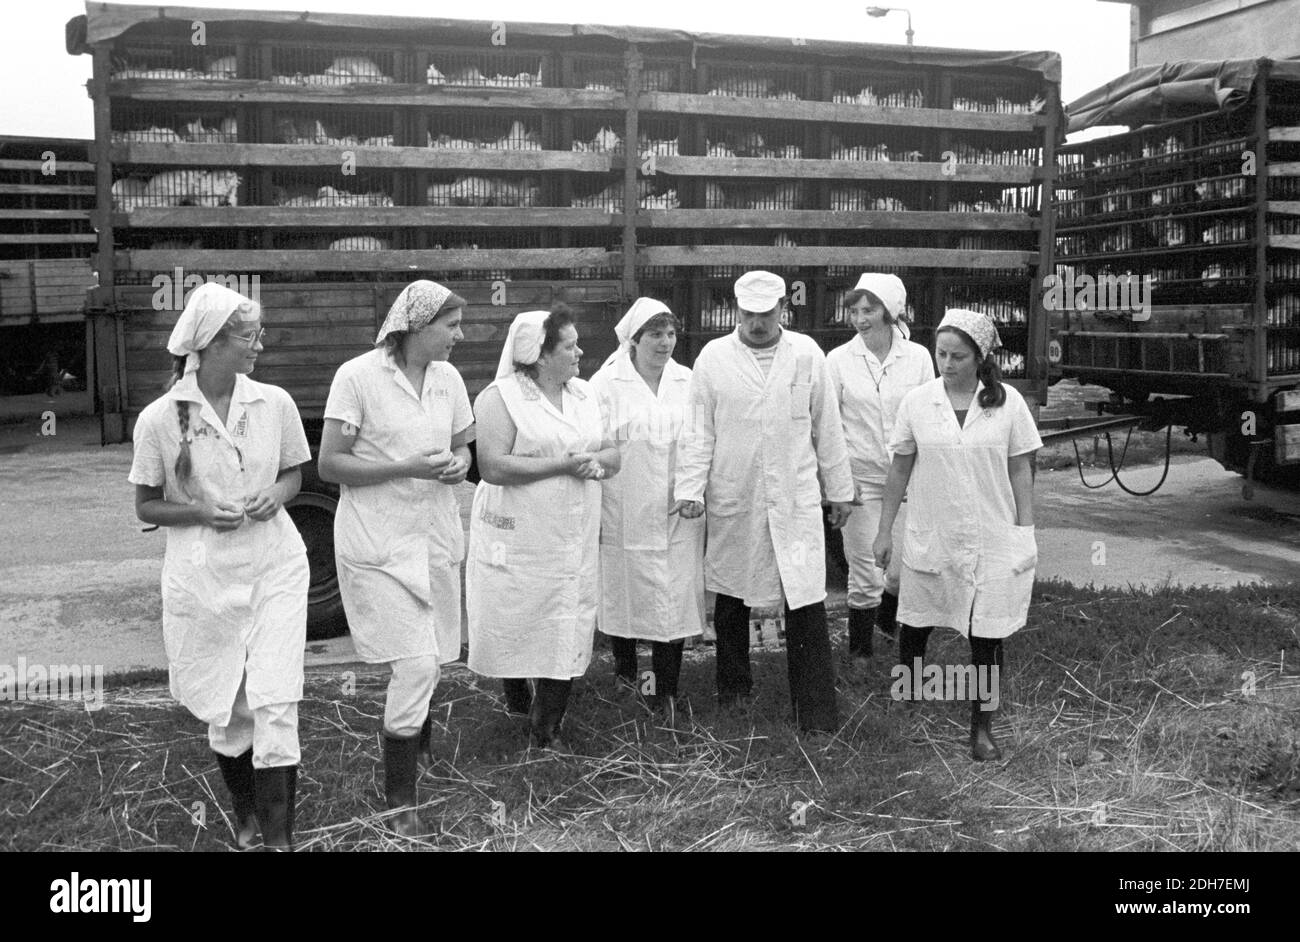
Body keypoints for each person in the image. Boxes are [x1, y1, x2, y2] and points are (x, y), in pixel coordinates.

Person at [129, 282, 310, 851]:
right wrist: (201, 510)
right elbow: (146, 505)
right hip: (205, 575)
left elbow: (294, 473)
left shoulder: (273, 403)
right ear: (209, 343)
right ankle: (247, 816)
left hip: (276, 564)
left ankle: (279, 838)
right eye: (248, 335)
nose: (259, 345)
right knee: (230, 703)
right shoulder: (162, 418)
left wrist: (278, 495)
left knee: (275, 697)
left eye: (259, 334)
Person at [318, 280, 472, 837]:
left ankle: (419, 754)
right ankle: (401, 800)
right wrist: (405, 466)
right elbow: (331, 464)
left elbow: (463, 444)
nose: (460, 335)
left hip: (432, 533)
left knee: (432, 653)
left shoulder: (448, 379)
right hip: (377, 544)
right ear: (416, 326)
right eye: (450, 326)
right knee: (416, 664)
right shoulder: (357, 377)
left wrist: (457, 462)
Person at [673, 271, 855, 733]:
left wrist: (839, 490)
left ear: (783, 310)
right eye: (749, 314)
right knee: (733, 597)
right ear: (736, 311)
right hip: (736, 493)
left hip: (794, 497)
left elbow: (827, 427)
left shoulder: (808, 354)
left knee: (805, 597)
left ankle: (814, 710)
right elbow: (698, 431)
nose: (757, 323)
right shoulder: (713, 358)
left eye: (766, 314)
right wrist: (690, 489)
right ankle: (734, 695)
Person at [873, 308, 1042, 761]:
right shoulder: (918, 401)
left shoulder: (1008, 404)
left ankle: (982, 726)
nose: (946, 364)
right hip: (935, 529)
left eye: (958, 356)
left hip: (992, 533)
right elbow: (900, 466)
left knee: (987, 632)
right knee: (917, 618)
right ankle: (909, 695)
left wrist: (1025, 531)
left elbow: (1021, 467)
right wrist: (885, 528)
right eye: (940, 353)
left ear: (981, 358)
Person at [466, 306, 621, 750]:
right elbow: (492, 466)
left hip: (572, 532)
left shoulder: (586, 395)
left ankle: (546, 728)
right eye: (569, 346)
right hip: (521, 534)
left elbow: (612, 451)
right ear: (539, 354)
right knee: (519, 616)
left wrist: (599, 462)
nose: (580, 353)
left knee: (566, 618)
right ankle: (518, 701)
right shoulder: (498, 398)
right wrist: (563, 464)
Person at [589, 298, 705, 724]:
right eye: (655, 335)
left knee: (673, 599)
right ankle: (627, 678)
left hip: (678, 508)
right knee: (625, 593)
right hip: (625, 506)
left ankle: (666, 692)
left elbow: (698, 439)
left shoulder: (687, 381)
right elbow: (596, 444)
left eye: (671, 334)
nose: (665, 342)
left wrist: (693, 491)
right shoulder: (604, 385)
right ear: (633, 341)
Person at [825, 274, 934, 669]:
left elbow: (928, 415)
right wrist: (838, 480)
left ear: (890, 312)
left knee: (904, 569)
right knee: (866, 570)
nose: (859, 318)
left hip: (907, 480)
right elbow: (828, 424)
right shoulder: (837, 361)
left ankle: (887, 627)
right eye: (854, 310)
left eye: (868, 310)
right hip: (860, 481)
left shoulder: (919, 358)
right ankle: (860, 653)